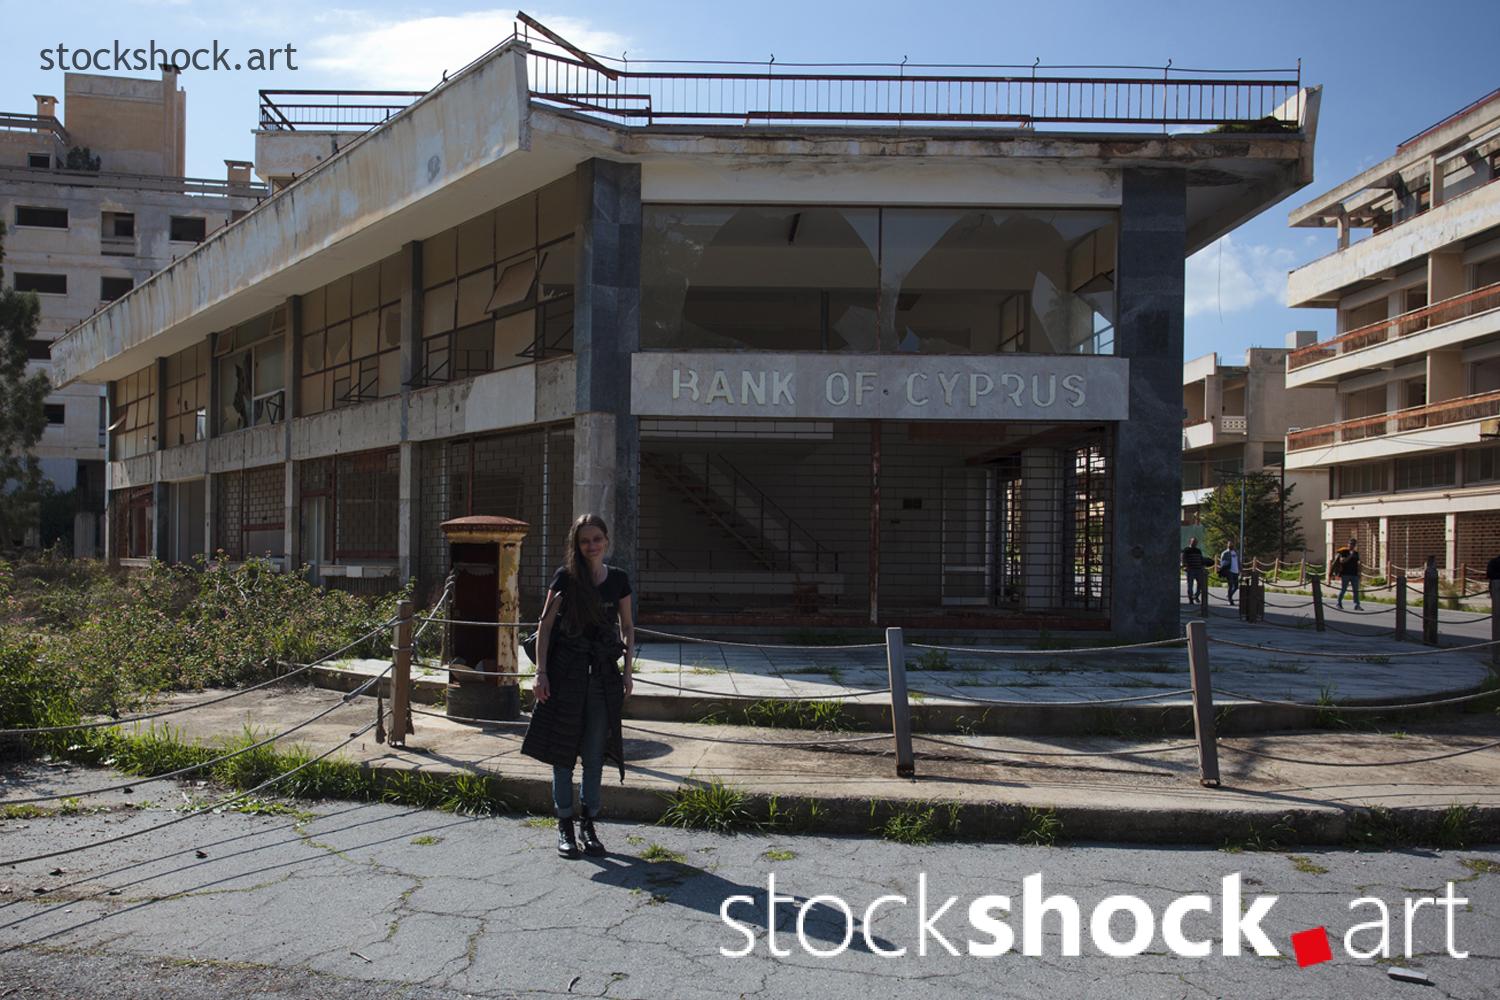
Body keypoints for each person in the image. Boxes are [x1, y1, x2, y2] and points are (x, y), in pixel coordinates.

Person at [521, 514, 635, 859]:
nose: (592, 546)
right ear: (576, 544)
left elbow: (627, 626)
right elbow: (544, 625)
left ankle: (589, 824)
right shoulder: (565, 578)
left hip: (602, 678)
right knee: (562, 755)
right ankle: (565, 826)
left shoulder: (618, 580)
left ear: (606, 541)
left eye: (597, 539)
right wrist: (541, 673)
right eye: (585, 540)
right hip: (566, 676)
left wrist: (628, 672)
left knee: (595, 755)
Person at [1334, 537, 1363, 610]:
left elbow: (1358, 563)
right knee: (1343, 589)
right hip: (1345, 573)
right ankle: (1338, 603)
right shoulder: (1344, 552)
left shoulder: (1356, 553)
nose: (1352, 545)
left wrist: (1359, 572)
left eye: (1353, 544)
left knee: (1356, 590)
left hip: (1354, 574)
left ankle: (1357, 605)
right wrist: (1350, 556)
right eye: (1351, 544)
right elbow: (1342, 561)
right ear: (1348, 544)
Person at [1181, 537, 1207, 604]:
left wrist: (1203, 566)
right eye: (1193, 542)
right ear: (1190, 542)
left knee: (1201, 584)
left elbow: (1201, 559)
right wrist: (1185, 566)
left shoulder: (1198, 550)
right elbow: (1183, 559)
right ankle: (1190, 599)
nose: (1194, 543)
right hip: (1190, 569)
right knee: (1190, 585)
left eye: (1195, 542)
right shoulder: (1186, 550)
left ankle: (1196, 596)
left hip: (1198, 569)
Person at [1218, 540, 1241, 606]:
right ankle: (1230, 600)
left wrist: (1240, 569)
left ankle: (1229, 595)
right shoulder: (1225, 553)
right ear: (1227, 545)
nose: (1231, 545)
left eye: (1232, 544)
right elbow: (1222, 563)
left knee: (1236, 587)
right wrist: (1223, 571)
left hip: (1236, 571)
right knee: (1230, 585)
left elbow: (1238, 561)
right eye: (1229, 544)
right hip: (1229, 571)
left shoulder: (1236, 552)